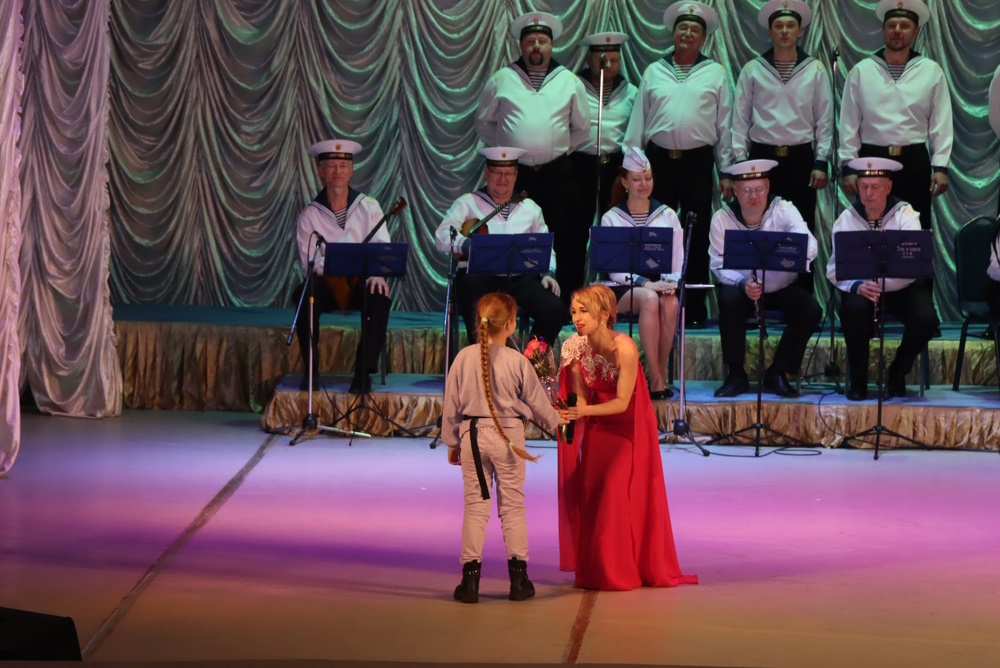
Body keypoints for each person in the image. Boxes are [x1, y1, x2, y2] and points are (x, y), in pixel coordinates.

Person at [557, 284, 697, 591]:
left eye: (584, 311)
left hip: (628, 428)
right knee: (593, 492)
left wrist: (584, 410)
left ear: (604, 314)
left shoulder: (625, 348)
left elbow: (622, 403)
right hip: (598, 425)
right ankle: (599, 569)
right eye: (574, 311)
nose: (577, 318)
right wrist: (569, 409)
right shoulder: (573, 347)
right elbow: (581, 398)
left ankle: (620, 571)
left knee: (613, 488)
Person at [441, 293, 564, 604]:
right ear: (510, 324)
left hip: (471, 435)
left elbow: (451, 406)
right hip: (508, 436)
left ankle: (470, 582)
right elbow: (538, 402)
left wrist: (452, 442)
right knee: (512, 508)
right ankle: (519, 581)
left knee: (475, 506)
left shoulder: (462, 358)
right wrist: (558, 421)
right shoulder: (517, 361)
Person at [624, 0, 734, 328]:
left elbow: (725, 126)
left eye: (694, 30)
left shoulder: (715, 73)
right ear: (673, 33)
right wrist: (632, 166)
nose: (687, 33)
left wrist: (726, 171)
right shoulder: (653, 71)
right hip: (658, 163)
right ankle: (654, 302)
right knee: (656, 235)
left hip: (698, 163)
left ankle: (692, 308)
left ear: (704, 38)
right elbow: (639, 120)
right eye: (682, 27)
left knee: (695, 235)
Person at [475, 11, 590, 300]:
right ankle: (514, 299)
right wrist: (507, 150)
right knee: (514, 236)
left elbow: (582, 129)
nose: (536, 46)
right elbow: (484, 124)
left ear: (552, 45)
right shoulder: (502, 79)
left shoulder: (569, 81)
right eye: (530, 41)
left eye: (542, 41)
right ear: (521, 45)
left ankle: (561, 304)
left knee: (562, 237)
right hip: (516, 176)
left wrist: (557, 149)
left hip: (558, 174)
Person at [731, 0, 832, 293]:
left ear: (800, 31)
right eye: (779, 26)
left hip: (801, 159)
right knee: (759, 229)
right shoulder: (753, 69)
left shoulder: (815, 69)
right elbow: (740, 119)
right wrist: (741, 164)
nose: (785, 31)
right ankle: (757, 296)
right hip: (761, 159)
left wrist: (821, 161)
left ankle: (801, 298)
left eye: (790, 26)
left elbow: (824, 119)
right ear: (770, 32)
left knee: (799, 232)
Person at [826, 158, 939, 401]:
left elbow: (913, 261)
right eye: (864, 186)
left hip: (903, 287)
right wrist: (856, 286)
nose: (868, 193)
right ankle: (858, 380)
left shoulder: (905, 214)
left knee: (927, 319)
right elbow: (833, 269)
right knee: (852, 310)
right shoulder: (847, 218)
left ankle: (897, 372)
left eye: (875, 187)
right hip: (864, 289)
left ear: (888, 187)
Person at [709, 159, 821, 398]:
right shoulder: (722, 218)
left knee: (810, 308)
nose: (754, 196)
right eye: (747, 190)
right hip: (742, 288)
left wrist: (793, 255)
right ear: (735, 190)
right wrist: (743, 283)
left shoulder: (784, 209)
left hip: (780, 287)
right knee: (728, 299)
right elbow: (717, 264)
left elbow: (810, 245)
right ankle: (736, 374)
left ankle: (778, 372)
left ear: (768, 187)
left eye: (759, 190)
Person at [839, 0, 952, 235]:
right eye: (892, 25)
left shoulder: (931, 71)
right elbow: (849, 123)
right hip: (872, 163)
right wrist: (848, 166)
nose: (897, 31)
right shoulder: (862, 71)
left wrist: (940, 166)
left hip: (914, 164)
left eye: (904, 26)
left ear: (916, 31)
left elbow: (940, 123)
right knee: (871, 232)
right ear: (883, 29)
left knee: (914, 235)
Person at [435, 147, 567, 346]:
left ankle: (531, 358)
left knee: (554, 309)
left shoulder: (530, 208)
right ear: (486, 173)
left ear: (516, 175)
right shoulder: (468, 203)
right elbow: (442, 236)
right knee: (474, 298)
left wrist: (548, 273)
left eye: (508, 174)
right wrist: (470, 246)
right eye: (497, 172)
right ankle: (484, 358)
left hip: (520, 278)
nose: (502, 179)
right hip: (479, 277)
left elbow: (546, 247)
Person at [294, 139, 390, 395]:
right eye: (331, 166)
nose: (337, 171)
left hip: (360, 282)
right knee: (304, 293)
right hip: (328, 284)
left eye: (343, 165)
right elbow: (309, 262)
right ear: (321, 171)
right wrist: (338, 265)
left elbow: (382, 246)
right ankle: (311, 370)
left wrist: (377, 273)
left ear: (351, 170)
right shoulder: (310, 215)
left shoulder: (369, 207)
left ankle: (363, 373)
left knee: (379, 294)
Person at [599, 146, 682, 400]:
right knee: (649, 298)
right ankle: (657, 379)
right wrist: (646, 284)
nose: (644, 184)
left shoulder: (667, 215)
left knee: (671, 303)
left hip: (657, 284)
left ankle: (656, 372)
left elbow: (676, 260)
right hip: (622, 287)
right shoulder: (611, 218)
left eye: (648, 178)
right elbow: (613, 270)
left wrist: (669, 283)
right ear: (625, 182)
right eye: (637, 179)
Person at [570, 32, 637, 230]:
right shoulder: (572, 87)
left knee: (614, 227)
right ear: (589, 59)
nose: (607, 65)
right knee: (576, 227)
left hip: (616, 167)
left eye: (613, 60)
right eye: (602, 60)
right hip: (580, 166)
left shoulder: (630, 92)